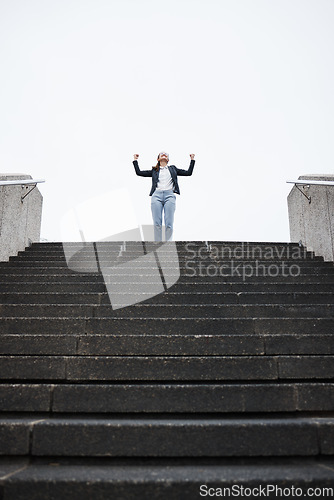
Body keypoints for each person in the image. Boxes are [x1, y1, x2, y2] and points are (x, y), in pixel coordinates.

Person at [133, 152, 195, 241]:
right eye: (162, 154)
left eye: (166, 155)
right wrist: (135, 160)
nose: (164, 155)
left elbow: (188, 173)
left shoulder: (173, 169)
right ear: (158, 159)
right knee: (157, 223)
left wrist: (192, 160)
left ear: (168, 160)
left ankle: (168, 243)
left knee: (169, 222)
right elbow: (139, 172)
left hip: (169, 195)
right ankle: (158, 244)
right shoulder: (154, 171)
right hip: (156, 196)